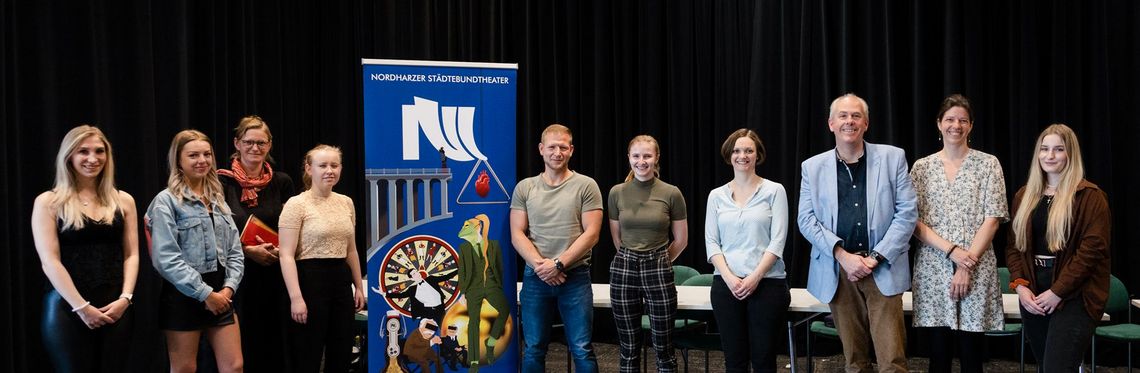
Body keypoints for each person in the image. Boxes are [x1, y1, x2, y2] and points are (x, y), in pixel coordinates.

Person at [798, 94, 918, 373]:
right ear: (831, 123)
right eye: (842, 116)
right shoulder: (812, 167)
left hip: (882, 267)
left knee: (892, 362)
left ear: (866, 123)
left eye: (855, 116)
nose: (849, 121)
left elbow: (907, 214)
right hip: (838, 270)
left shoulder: (893, 158)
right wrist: (842, 255)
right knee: (855, 361)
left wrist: (875, 257)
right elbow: (806, 219)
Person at [909, 94, 1008, 373]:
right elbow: (914, 222)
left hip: (977, 266)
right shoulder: (922, 168)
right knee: (937, 354)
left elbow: (993, 218)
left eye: (963, 120)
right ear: (939, 124)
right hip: (934, 267)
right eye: (950, 119)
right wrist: (953, 252)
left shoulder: (988, 164)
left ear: (971, 126)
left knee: (972, 353)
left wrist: (967, 263)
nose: (956, 125)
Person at [32, 125, 139, 373]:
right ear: (69, 156)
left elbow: (131, 254)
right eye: (83, 151)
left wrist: (126, 299)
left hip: (117, 309)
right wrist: (82, 307)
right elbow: (50, 261)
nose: (93, 159)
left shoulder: (123, 200)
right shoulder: (48, 202)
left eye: (99, 151)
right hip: (66, 309)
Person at [1006, 124, 1110, 372]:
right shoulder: (1024, 195)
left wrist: (1057, 292)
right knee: (1046, 366)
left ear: (1070, 154)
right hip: (1033, 294)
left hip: (1075, 295)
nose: (1049, 156)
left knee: (1057, 367)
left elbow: (1091, 253)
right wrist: (1020, 286)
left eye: (1058, 149)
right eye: (1044, 149)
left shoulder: (1090, 197)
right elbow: (1013, 247)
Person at [146, 129, 245, 373]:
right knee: (184, 369)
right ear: (178, 160)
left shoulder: (217, 198)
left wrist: (228, 288)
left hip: (222, 294)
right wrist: (205, 294)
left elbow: (235, 251)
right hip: (184, 296)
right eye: (193, 155)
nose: (202, 160)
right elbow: (165, 259)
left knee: (234, 366)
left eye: (206, 154)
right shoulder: (166, 201)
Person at [510, 124, 603, 373]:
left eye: (563, 147)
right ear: (541, 149)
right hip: (535, 277)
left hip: (575, 277)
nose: (557, 152)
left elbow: (592, 234)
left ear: (571, 150)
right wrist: (543, 267)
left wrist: (558, 264)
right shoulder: (525, 187)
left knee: (581, 348)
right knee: (533, 348)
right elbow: (517, 234)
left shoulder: (586, 185)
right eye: (552, 147)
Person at [704, 129, 789, 372]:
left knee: (764, 359)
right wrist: (731, 278)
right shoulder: (716, 196)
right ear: (729, 156)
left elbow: (778, 240)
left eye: (749, 150)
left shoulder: (774, 191)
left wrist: (754, 277)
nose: (743, 155)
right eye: (737, 151)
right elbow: (712, 243)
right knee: (734, 360)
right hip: (726, 285)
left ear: (757, 155)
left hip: (767, 284)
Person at [217, 115, 295, 372]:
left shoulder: (282, 181)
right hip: (235, 276)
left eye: (261, 143)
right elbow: (212, 231)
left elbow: (292, 226)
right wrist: (247, 252)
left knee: (275, 340)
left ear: (270, 145)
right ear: (237, 143)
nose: (255, 148)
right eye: (249, 142)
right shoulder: (220, 181)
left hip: (275, 273)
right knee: (241, 344)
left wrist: (280, 250)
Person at [279, 144, 366, 373]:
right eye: (323, 165)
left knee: (341, 349)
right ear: (309, 169)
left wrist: (358, 286)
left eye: (334, 165)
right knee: (308, 351)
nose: (330, 170)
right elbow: (286, 255)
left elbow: (351, 250)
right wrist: (296, 297)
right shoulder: (296, 204)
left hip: (340, 279)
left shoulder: (346, 202)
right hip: (309, 279)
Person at [608, 135, 689, 373]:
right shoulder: (617, 192)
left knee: (663, 347)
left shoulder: (671, 193)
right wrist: (632, 257)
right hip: (624, 268)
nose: (641, 161)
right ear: (629, 158)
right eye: (636, 156)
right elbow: (616, 237)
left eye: (647, 156)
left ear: (656, 158)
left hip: (658, 267)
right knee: (628, 347)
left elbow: (681, 239)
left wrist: (660, 260)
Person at [456, 213, 509, 371]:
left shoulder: (493, 245)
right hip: (473, 288)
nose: (462, 230)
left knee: (504, 310)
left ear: (477, 227)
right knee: (474, 322)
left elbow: (500, 267)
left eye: (467, 226)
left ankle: (491, 342)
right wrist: (463, 292)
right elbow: (462, 271)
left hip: (492, 286)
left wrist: (499, 286)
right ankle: (474, 362)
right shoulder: (464, 248)